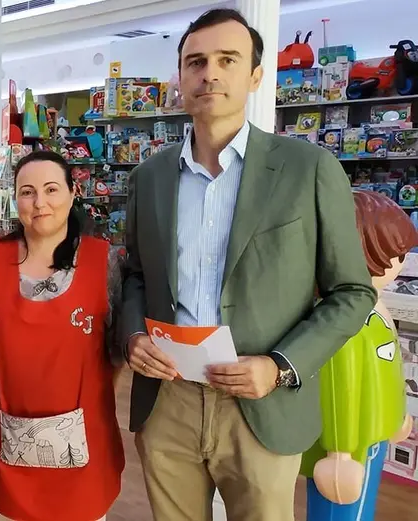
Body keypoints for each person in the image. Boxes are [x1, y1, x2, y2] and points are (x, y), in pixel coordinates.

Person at [118, 8, 377, 521]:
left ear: (255, 76)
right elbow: (136, 276)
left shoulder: (308, 169)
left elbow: (352, 292)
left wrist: (280, 367)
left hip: (261, 402)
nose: (209, 73)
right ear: (180, 79)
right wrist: (132, 337)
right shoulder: (149, 177)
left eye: (227, 60)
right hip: (168, 398)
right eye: (195, 62)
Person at [0, 150, 124, 521]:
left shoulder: (104, 261)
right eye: (27, 192)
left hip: (86, 441)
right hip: (10, 435)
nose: (40, 202)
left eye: (51, 189)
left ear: (73, 193)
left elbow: (117, 350)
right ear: (15, 199)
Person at [301, 190, 417, 521]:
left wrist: (396, 415)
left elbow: (387, 368)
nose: (401, 261)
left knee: (361, 509)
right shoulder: (342, 319)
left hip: (372, 433)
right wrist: (339, 453)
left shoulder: (371, 308)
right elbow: (340, 389)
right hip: (348, 447)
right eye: (395, 253)